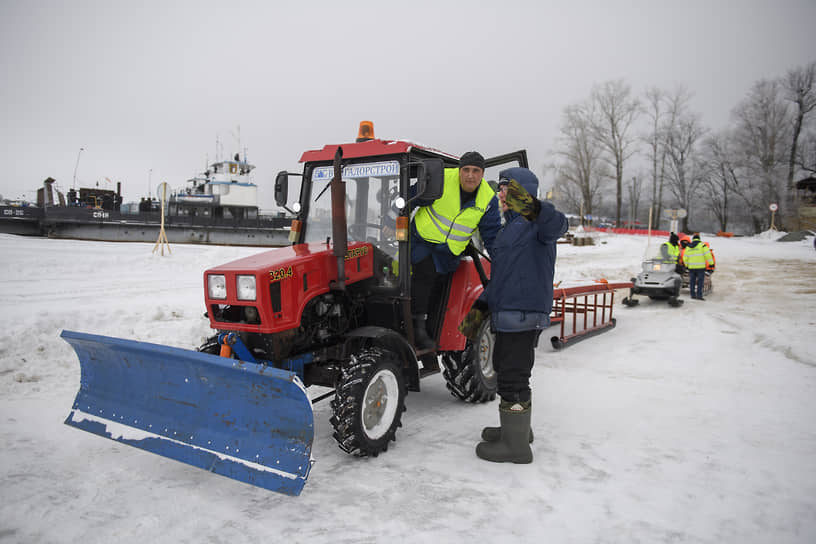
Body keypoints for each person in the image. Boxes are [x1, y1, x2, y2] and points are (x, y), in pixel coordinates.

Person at [459, 167, 568, 464]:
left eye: (507, 188)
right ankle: (517, 430)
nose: (501, 194)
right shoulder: (511, 230)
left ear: (523, 192)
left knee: (512, 377)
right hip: (509, 313)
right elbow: (501, 280)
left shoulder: (538, 225)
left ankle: (516, 446)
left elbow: (559, 224)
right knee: (509, 371)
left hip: (524, 314)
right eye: (501, 188)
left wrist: (529, 204)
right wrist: (477, 315)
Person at [409, 151, 501, 349]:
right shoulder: (440, 179)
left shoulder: (488, 200)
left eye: (475, 171)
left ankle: (429, 328)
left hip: (448, 252)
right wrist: (393, 216)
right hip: (422, 241)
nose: (470, 175)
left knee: (439, 287)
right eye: (466, 170)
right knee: (423, 275)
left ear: (482, 174)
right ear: (459, 171)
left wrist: (500, 265)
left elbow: (491, 236)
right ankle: (417, 328)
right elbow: (410, 197)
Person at [683, 233, 714, 300]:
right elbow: (708, 255)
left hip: (691, 268)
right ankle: (699, 295)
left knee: (692, 281)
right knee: (700, 282)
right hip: (700, 268)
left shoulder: (688, 247)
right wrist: (711, 264)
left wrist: (687, 265)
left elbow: (685, 258)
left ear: (693, 239)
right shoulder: (703, 246)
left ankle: (692, 295)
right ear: (699, 239)